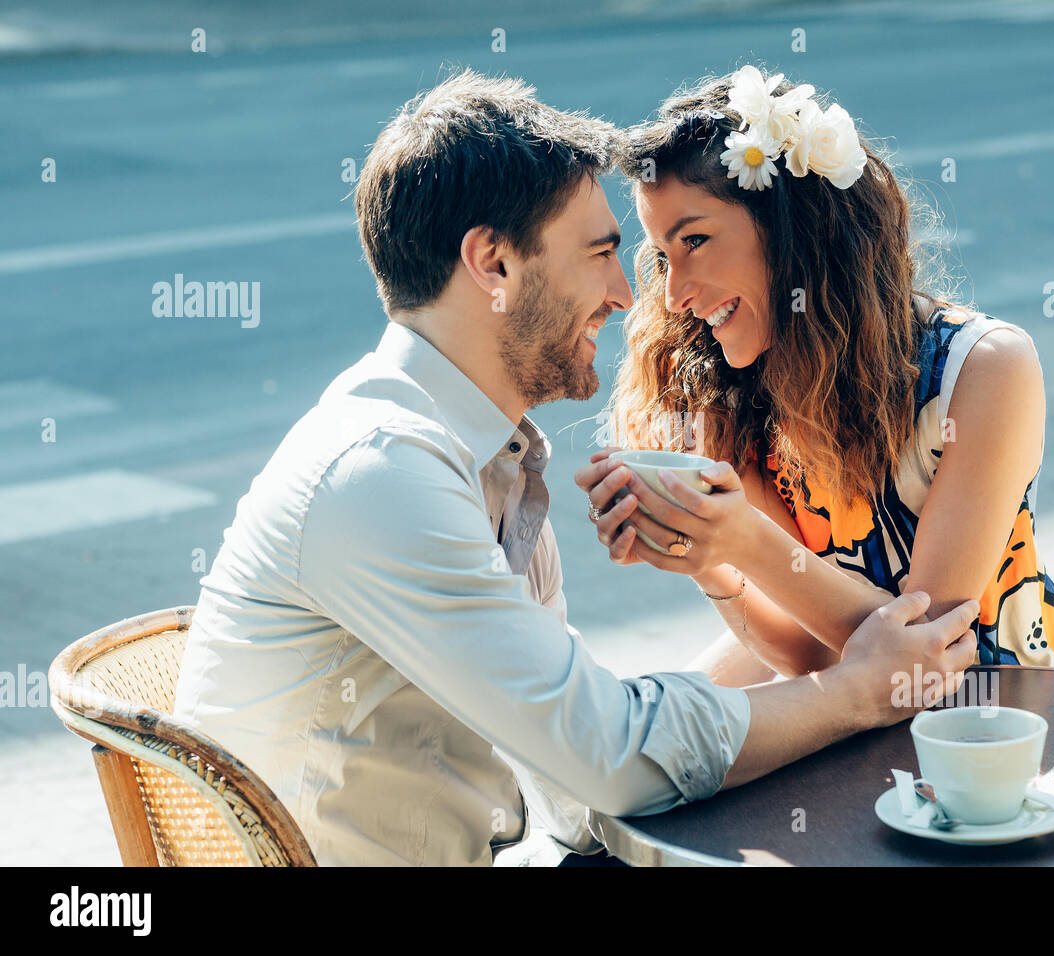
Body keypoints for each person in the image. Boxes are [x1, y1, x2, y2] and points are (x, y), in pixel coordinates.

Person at [171, 69, 980, 867]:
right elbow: (609, 757)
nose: (629, 296)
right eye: (601, 253)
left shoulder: (487, 460)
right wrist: (853, 693)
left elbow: (570, 767)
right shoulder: (382, 474)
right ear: (493, 264)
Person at [579, 66, 1054, 690]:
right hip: (846, 716)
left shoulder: (982, 369)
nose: (674, 294)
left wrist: (745, 541)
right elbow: (808, 656)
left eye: (696, 241)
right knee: (647, 745)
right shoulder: (737, 391)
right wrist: (706, 559)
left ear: (796, 230)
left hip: (994, 728)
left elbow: (928, 656)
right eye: (661, 257)